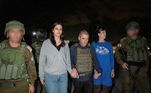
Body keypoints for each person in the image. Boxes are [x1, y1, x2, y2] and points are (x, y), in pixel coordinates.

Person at [0, 20, 37, 93]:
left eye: (19, 31)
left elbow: (31, 68)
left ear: (22, 34)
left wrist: (32, 84)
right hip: (3, 86)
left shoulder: (27, 49)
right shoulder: (1, 48)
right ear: (7, 34)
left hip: (22, 86)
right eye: (13, 31)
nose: (16, 34)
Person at [39, 22, 76, 93]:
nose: (59, 31)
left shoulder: (65, 44)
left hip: (63, 75)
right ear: (53, 30)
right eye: (56, 29)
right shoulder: (46, 43)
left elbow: (67, 61)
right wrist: (41, 76)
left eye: (60, 29)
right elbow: (42, 61)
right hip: (50, 76)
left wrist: (71, 71)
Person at [115, 21, 150, 93]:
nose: (128, 32)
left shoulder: (143, 40)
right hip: (128, 69)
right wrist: (122, 63)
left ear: (136, 30)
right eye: (128, 30)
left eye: (130, 30)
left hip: (142, 70)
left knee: (145, 88)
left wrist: (146, 67)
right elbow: (117, 54)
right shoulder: (123, 41)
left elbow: (146, 55)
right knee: (128, 88)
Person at [92, 26, 115, 93]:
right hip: (97, 71)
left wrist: (113, 69)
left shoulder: (109, 44)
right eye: (103, 32)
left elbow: (111, 58)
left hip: (107, 71)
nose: (105, 34)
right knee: (97, 89)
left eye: (105, 32)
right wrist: (94, 71)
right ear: (98, 34)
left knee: (106, 90)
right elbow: (92, 59)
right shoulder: (94, 44)